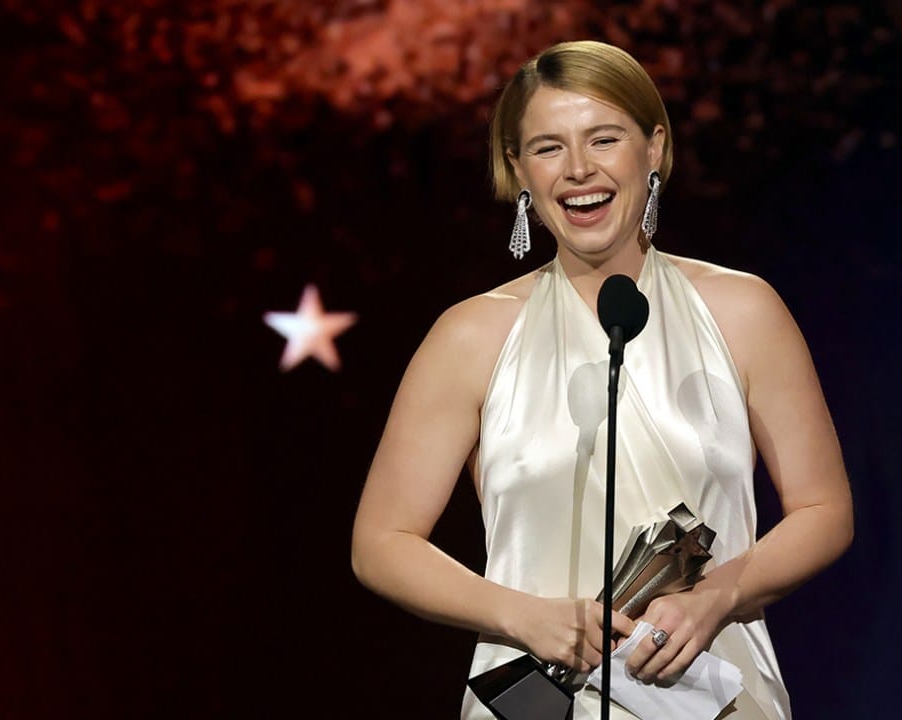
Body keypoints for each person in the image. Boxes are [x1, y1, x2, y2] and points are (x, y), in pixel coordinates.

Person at [351, 40, 853, 720]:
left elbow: (824, 510)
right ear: (518, 169)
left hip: (714, 698)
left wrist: (718, 597)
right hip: (536, 701)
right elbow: (382, 542)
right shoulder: (469, 336)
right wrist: (522, 614)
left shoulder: (744, 311)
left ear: (654, 148)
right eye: (548, 147)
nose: (578, 169)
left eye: (604, 139)